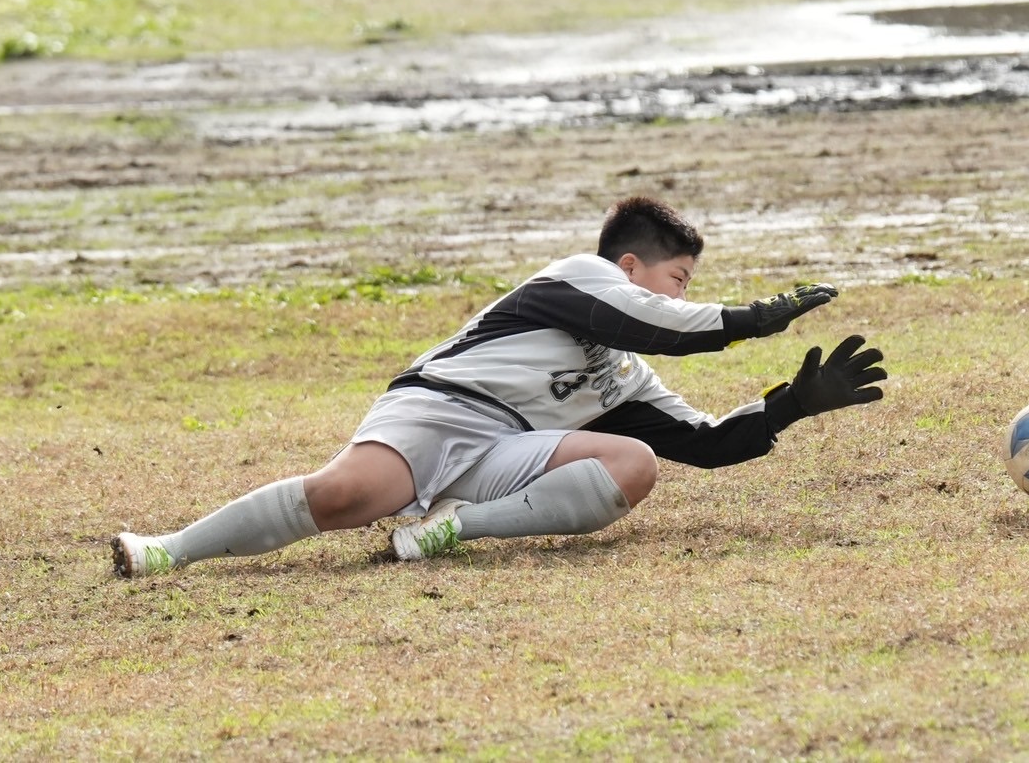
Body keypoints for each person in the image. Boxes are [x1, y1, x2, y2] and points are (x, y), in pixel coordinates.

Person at [111, 196, 887, 576]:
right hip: (442, 410)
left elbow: (711, 447)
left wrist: (792, 404)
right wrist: (755, 319)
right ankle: (166, 553)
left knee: (636, 465)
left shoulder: (627, 377)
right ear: (629, 269)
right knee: (345, 500)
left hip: (511, 453)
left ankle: (450, 528)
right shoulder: (575, 278)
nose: (680, 296)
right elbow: (663, 325)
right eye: (676, 279)